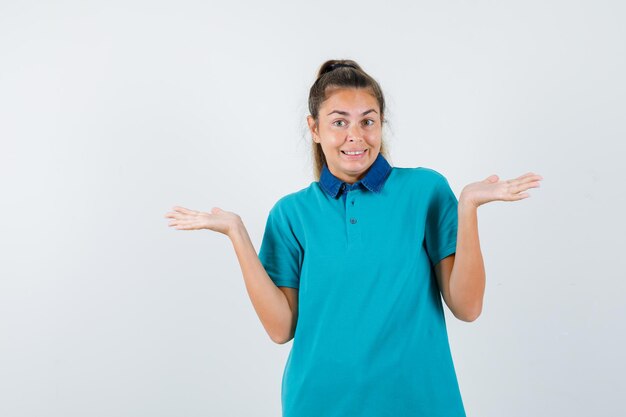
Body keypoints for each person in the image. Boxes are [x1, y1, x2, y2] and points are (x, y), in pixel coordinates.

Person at [164, 59, 543, 417]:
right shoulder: (291, 214)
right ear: (314, 129)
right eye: (339, 122)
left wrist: (469, 206)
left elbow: (467, 306)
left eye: (367, 121)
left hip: (420, 401)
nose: (355, 137)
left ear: (382, 124)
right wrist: (237, 234)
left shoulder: (425, 190)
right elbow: (281, 329)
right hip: (319, 403)